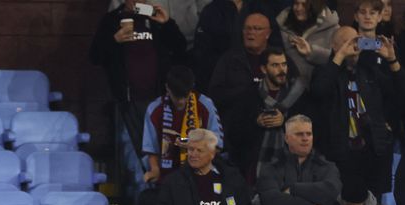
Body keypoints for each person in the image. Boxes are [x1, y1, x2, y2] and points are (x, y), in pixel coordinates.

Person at [309, 23, 405, 197]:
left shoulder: (370, 71)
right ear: (335, 46)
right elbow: (319, 91)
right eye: (347, 42)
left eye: (357, 41)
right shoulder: (324, 71)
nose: (354, 46)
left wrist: (392, 60)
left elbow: (404, 91)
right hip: (340, 153)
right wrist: (339, 56)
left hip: (373, 152)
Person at [211, 24, 307, 181]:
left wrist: (285, 123)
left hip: (291, 167)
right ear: (263, 69)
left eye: (284, 64)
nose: (282, 70)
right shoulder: (248, 95)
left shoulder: (298, 95)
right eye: (275, 65)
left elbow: (311, 130)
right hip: (253, 167)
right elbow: (234, 134)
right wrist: (256, 122)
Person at [89, 0, 188, 138]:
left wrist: (167, 24)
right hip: (127, 101)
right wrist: (114, 40)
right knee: (131, 151)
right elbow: (95, 57)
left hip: (159, 98)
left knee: (160, 146)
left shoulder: (154, 17)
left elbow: (180, 48)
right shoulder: (112, 19)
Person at [141, 65, 225, 185]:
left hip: (200, 176)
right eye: (176, 96)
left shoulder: (205, 105)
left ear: (191, 88)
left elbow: (217, 145)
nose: (181, 101)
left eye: (184, 96)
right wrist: (154, 170)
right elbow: (151, 149)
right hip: (167, 177)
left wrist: (193, 144)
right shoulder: (154, 110)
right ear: (167, 88)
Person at [277, 0, 339, 83]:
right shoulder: (282, 25)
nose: (298, 8)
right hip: (287, 87)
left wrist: (311, 52)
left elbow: (338, 60)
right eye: (296, 3)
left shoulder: (333, 29)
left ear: (315, 5)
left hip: (320, 88)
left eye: (304, 4)